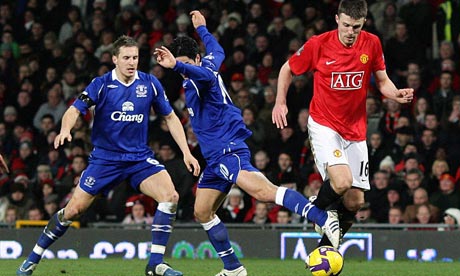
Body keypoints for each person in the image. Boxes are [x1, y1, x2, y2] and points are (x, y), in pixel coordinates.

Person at [154, 10, 340, 276]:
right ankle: (233, 268)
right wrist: (203, 30)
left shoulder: (199, 76)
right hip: (214, 157)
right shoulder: (207, 63)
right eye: (177, 63)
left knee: (263, 192)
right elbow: (218, 50)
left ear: (195, 59)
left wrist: (178, 66)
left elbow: (204, 76)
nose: (181, 69)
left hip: (228, 148)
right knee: (202, 210)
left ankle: (322, 217)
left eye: (184, 63)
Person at [17, 35, 200, 276]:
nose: (131, 62)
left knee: (170, 196)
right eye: (126, 57)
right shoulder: (101, 84)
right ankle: (32, 259)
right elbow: (74, 110)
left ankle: (155, 264)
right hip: (105, 161)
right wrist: (64, 129)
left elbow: (170, 117)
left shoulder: (150, 84)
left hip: (138, 159)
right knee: (72, 211)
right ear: (115, 59)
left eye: (135, 57)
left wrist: (186, 151)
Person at [272, 0, 414, 249]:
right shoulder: (319, 44)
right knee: (341, 181)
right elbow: (287, 69)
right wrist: (280, 102)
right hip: (325, 125)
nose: (351, 32)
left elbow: (382, 80)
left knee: (355, 201)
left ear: (364, 23)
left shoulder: (372, 43)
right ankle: (316, 210)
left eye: (356, 27)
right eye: (346, 25)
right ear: (337, 19)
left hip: (356, 131)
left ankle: (324, 250)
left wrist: (395, 94)